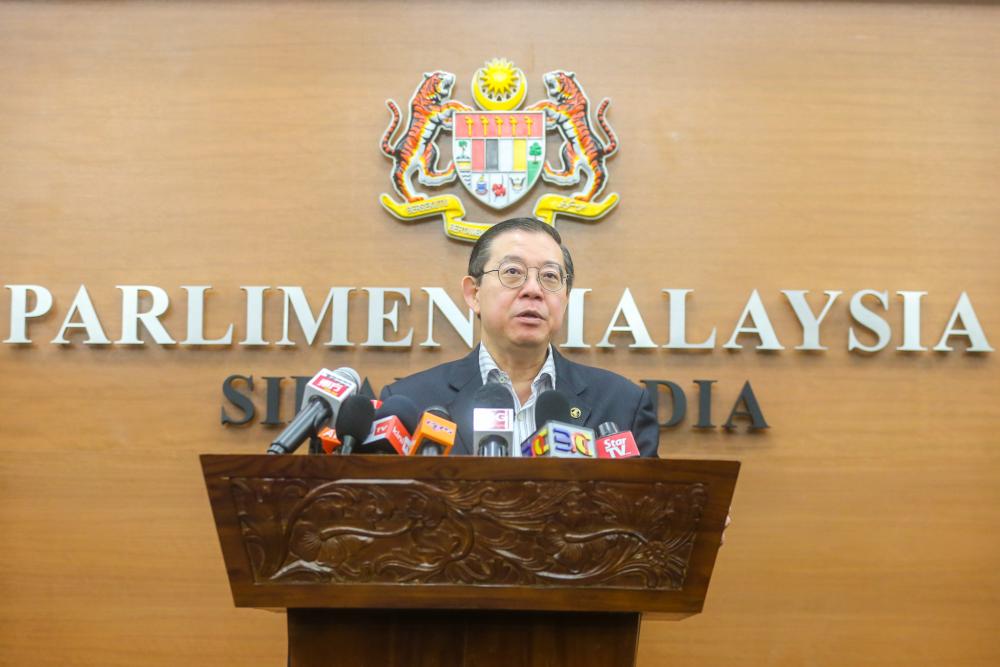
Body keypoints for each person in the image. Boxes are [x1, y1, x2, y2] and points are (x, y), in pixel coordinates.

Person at [380, 217, 659, 457]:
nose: (533, 290)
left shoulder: (621, 404)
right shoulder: (412, 402)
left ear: (565, 298)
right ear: (473, 294)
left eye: (550, 276)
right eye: (513, 272)